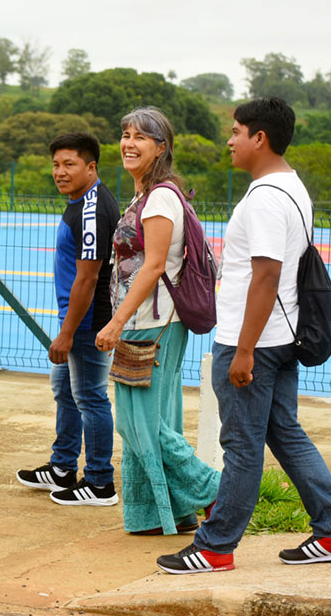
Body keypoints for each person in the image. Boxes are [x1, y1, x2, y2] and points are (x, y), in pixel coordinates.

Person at [157, 97, 331, 574]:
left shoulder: (265, 197)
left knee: (242, 445)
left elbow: (266, 275)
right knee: (284, 433)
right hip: (281, 335)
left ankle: (216, 545)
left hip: (256, 343)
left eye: (236, 131)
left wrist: (243, 351)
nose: (229, 140)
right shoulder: (292, 187)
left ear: (259, 138)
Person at [95, 107, 220, 534]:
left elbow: (151, 268)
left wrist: (116, 323)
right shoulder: (143, 197)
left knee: (137, 421)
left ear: (160, 148)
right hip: (143, 322)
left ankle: (216, 490)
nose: (129, 143)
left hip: (155, 322)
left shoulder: (161, 198)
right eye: (125, 134)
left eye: (141, 138)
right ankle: (162, 514)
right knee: (152, 420)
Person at [16, 132, 121, 506]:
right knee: (65, 390)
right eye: (56, 165)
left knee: (91, 398)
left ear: (90, 167)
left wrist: (67, 333)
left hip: (87, 322)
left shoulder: (91, 209)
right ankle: (62, 468)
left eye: (69, 164)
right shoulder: (79, 201)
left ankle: (99, 483)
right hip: (76, 319)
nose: (60, 172)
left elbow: (89, 276)